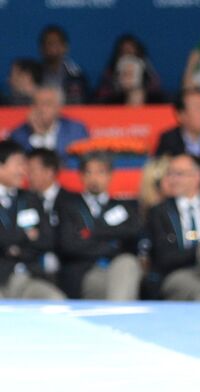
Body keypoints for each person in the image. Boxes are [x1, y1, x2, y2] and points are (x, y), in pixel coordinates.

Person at [55, 154, 143, 301]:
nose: (94, 178)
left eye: (100, 172)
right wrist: (113, 241)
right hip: (84, 273)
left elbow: (133, 236)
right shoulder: (69, 206)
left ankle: (118, 316)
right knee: (119, 285)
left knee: (127, 263)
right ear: (81, 176)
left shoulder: (125, 206)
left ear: (110, 175)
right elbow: (69, 246)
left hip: (117, 268)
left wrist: (91, 234)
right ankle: (121, 319)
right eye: (89, 172)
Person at [145, 153, 200, 300]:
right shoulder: (159, 212)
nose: (172, 179)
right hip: (178, 273)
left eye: (179, 174)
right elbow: (163, 258)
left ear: (197, 177)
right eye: (170, 174)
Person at [0, 140, 64, 299]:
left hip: (29, 277)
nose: (24, 171)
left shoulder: (31, 198)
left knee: (56, 301)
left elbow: (47, 239)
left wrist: (13, 247)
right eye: (18, 165)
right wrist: (25, 235)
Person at [8, 86, 89, 156]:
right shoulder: (18, 135)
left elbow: (78, 163)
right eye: (36, 104)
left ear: (59, 107)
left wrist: (43, 137)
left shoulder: (76, 131)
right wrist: (38, 135)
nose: (41, 109)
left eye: (47, 104)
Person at [93, 35, 164, 105]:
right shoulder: (109, 103)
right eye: (121, 73)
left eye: (129, 73)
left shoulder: (159, 102)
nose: (124, 78)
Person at [37, 25, 87, 103]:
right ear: (41, 48)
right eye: (49, 43)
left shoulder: (76, 74)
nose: (53, 48)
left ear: (65, 47)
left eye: (57, 43)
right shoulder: (33, 74)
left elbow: (82, 102)